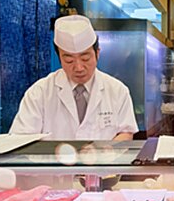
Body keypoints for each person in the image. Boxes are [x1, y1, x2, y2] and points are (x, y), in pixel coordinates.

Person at [10, 14, 138, 141]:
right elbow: (21, 138)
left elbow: (126, 132)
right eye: (69, 60)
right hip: (53, 156)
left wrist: (105, 150)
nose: (79, 68)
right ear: (59, 58)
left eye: (85, 58)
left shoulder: (117, 90)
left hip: (103, 155)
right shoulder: (39, 93)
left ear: (97, 53)